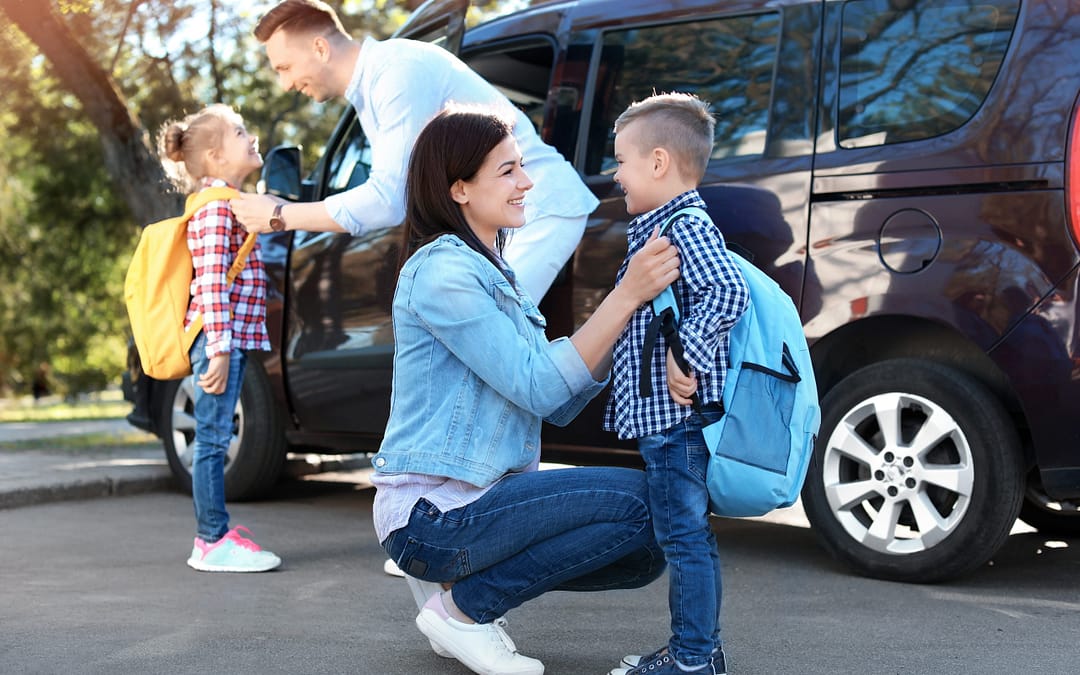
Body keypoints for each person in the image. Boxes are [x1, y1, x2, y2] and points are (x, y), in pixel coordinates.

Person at [370, 104, 679, 675]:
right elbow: (541, 386)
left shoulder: (492, 272)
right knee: (643, 502)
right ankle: (465, 610)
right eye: (508, 170)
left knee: (648, 550)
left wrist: (644, 330)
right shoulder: (442, 272)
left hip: (477, 502)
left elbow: (556, 401)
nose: (527, 182)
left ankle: (460, 604)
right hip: (434, 516)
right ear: (459, 188)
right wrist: (626, 294)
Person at [232, 0, 598, 303]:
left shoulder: (397, 72)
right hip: (504, 221)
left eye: (285, 67)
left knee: (492, 349)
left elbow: (388, 199)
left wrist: (280, 214)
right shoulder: (373, 87)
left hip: (538, 210)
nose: (285, 83)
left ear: (319, 48)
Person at [603, 93, 750, 675]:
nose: (616, 174)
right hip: (666, 419)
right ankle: (698, 651)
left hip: (676, 419)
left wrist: (686, 353)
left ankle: (691, 659)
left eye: (622, 161)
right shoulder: (663, 225)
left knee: (684, 538)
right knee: (685, 536)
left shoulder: (684, 224)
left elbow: (727, 291)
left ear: (658, 162)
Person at [157, 104, 282, 573]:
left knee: (214, 434)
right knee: (212, 439)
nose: (251, 137)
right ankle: (210, 541)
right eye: (239, 131)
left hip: (223, 337)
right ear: (214, 155)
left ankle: (216, 534)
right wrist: (222, 349)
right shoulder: (213, 209)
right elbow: (210, 281)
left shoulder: (230, 201)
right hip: (216, 339)